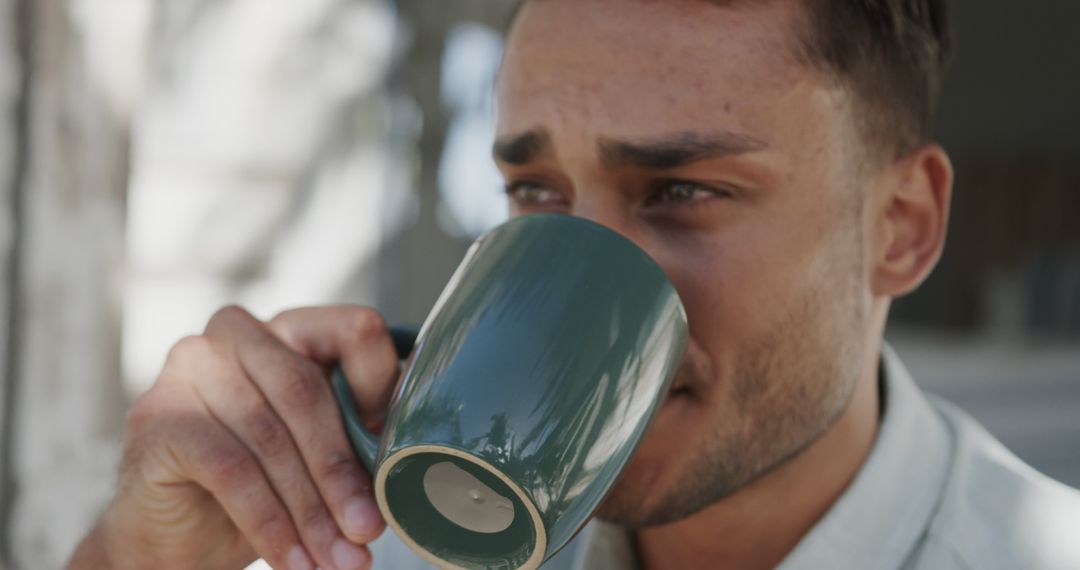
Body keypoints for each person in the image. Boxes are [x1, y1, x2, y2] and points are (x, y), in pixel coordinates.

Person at [70, 0, 1080, 569]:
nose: (583, 277)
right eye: (535, 190)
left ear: (900, 229)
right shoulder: (390, 536)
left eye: (682, 188)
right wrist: (137, 558)